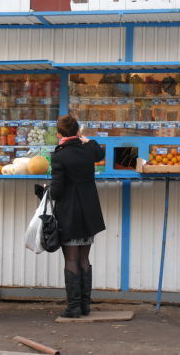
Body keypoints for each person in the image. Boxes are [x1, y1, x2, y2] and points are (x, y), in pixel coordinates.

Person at [48, 114, 106, 318]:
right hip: (89, 213)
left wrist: (45, 191)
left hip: (70, 213)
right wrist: (86, 139)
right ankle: (85, 306)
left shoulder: (59, 155)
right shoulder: (88, 149)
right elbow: (98, 153)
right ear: (78, 132)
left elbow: (56, 191)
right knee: (84, 258)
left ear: (59, 134)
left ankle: (73, 307)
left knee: (71, 258)